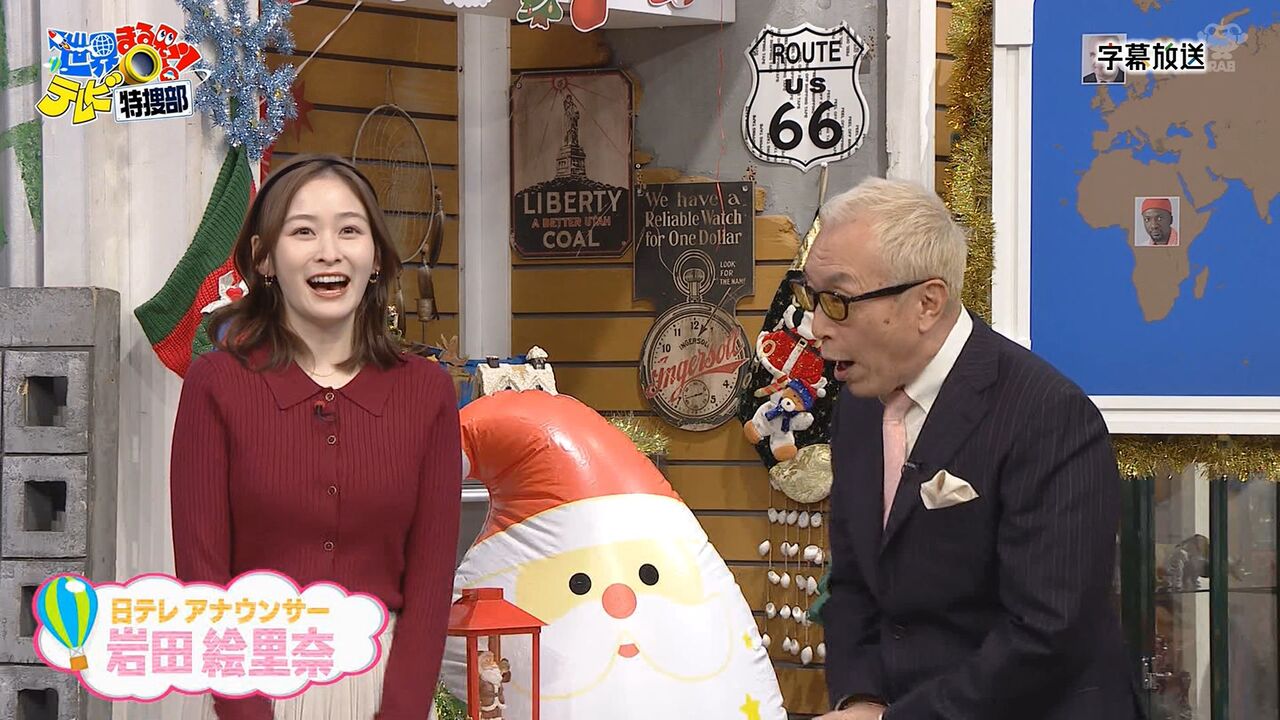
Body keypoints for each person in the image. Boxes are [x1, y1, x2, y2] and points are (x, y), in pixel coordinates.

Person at [798, 178, 1141, 720]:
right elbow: (853, 584)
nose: (816, 327)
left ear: (927, 303)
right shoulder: (859, 407)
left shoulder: (1049, 416)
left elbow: (1047, 631)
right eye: (811, 297)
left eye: (838, 302)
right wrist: (860, 700)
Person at [170, 154, 462, 720]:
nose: (329, 251)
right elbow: (203, 580)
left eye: (349, 230)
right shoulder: (217, 384)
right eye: (303, 231)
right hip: (248, 688)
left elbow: (431, 583)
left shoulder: (425, 391)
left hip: (384, 688)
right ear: (265, 257)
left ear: (376, 257)